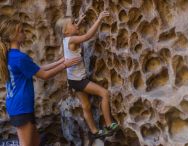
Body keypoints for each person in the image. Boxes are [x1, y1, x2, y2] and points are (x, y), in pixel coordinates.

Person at [0, 18, 81, 146]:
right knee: (26, 144)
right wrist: (65, 65)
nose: (24, 33)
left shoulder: (11, 55)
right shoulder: (20, 58)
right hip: (21, 106)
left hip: (17, 104)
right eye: (20, 31)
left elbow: (37, 69)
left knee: (35, 141)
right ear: (12, 36)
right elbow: (44, 75)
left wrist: (60, 61)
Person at [55, 11, 119, 138]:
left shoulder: (65, 39)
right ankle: (109, 124)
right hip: (80, 81)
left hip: (73, 80)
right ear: (66, 31)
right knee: (104, 93)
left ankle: (94, 131)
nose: (76, 24)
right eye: (73, 23)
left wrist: (78, 22)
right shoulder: (72, 39)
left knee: (86, 106)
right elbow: (87, 36)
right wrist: (99, 19)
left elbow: (71, 31)